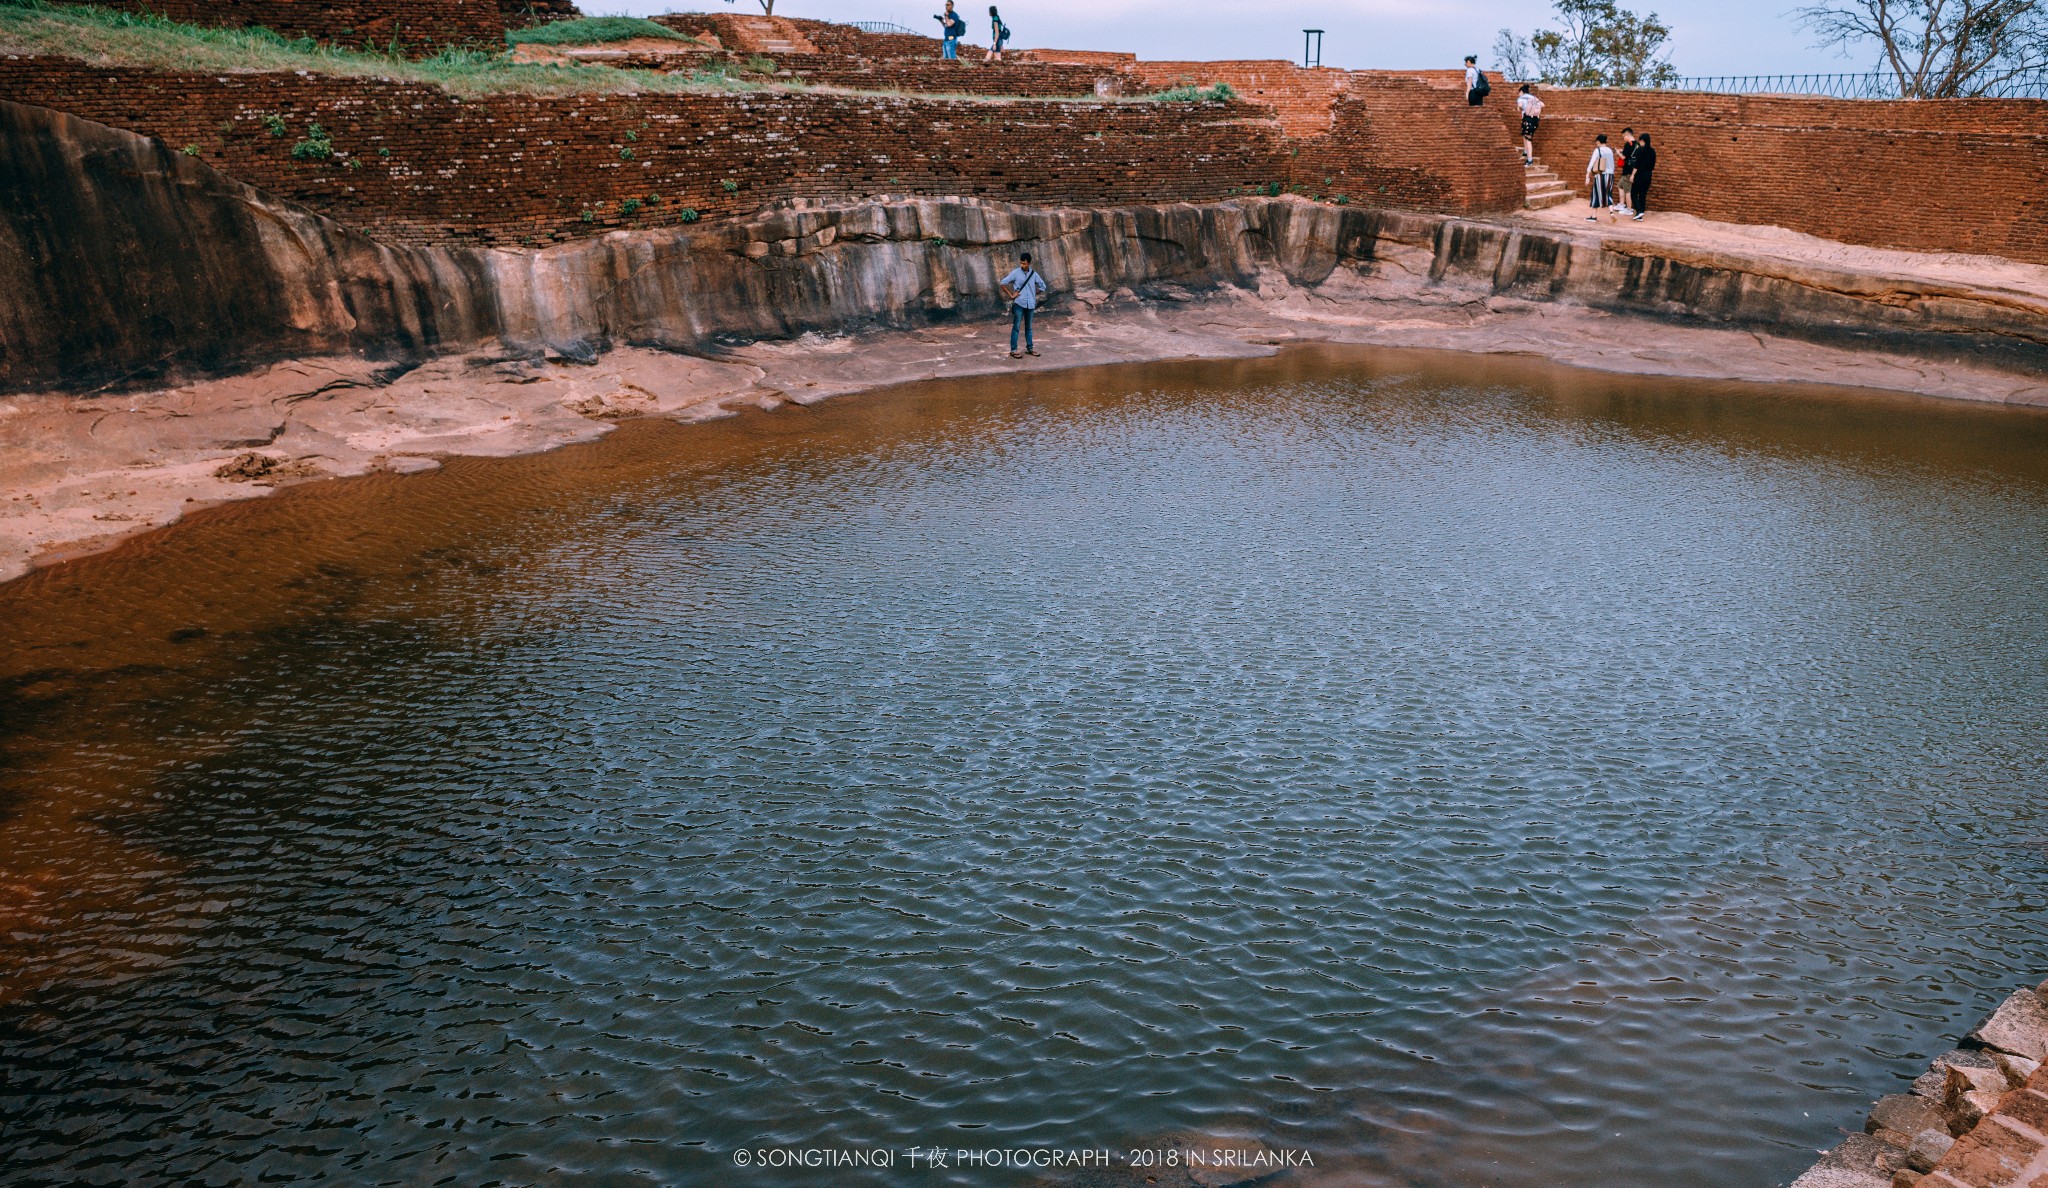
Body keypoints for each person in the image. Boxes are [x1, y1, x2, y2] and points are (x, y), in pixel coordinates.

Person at [1000, 250, 1048, 358]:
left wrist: (1033, 293)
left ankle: (1030, 348)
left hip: (1030, 304)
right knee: (1016, 327)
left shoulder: (1034, 274)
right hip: (1019, 304)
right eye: (1021, 263)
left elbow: (1043, 286)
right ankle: (1013, 350)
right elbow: (1003, 283)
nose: (1022, 265)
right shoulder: (1016, 273)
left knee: (1029, 327)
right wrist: (1011, 295)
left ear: (1029, 263)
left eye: (1024, 263)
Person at [1585, 133, 1615, 221]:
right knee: (1608, 193)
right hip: (1610, 175)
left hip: (1601, 175)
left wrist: (1587, 175)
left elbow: (1591, 162)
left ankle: (1594, 216)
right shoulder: (1610, 150)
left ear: (1598, 141)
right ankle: (1611, 212)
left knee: (1595, 194)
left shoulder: (1598, 150)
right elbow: (1612, 165)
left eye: (1596, 142)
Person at [1628, 133, 1656, 221]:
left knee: (1633, 193)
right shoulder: (1652, 151)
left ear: (1642, 141)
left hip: (1640, 175)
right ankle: (1640, 214)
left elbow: (1636, 165)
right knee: (1643, 194)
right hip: (1648, 175)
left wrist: (1632, 175)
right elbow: (1653, 165)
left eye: (1640, 141)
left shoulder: (1640, 151)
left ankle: (1639, 210)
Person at [1516, 84, 1543, 165]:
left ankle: (1530, 160)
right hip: (1535, 119)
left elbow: (1520, 106)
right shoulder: (1534, 98)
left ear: (1521, 91)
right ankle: (1525, 151)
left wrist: (1518, 107)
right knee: (1525, 135)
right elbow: (1542, 105)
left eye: (1519, 92)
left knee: (1528, 140)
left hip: (1527, 119)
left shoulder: (1521, 98)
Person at [1612, 128, 1637, 214]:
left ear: (1627, 135)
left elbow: (1623, 157)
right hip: (1632, 169)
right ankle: (1622, 204)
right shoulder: (1636, 144)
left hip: (1628, 170)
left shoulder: (1627, 144)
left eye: (1623, 137)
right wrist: (1622, 151)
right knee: (1620, 186)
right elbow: (1630, 153)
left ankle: (1629, 209)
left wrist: (1618, 153)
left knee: (1627, 191)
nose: (1623, 138)